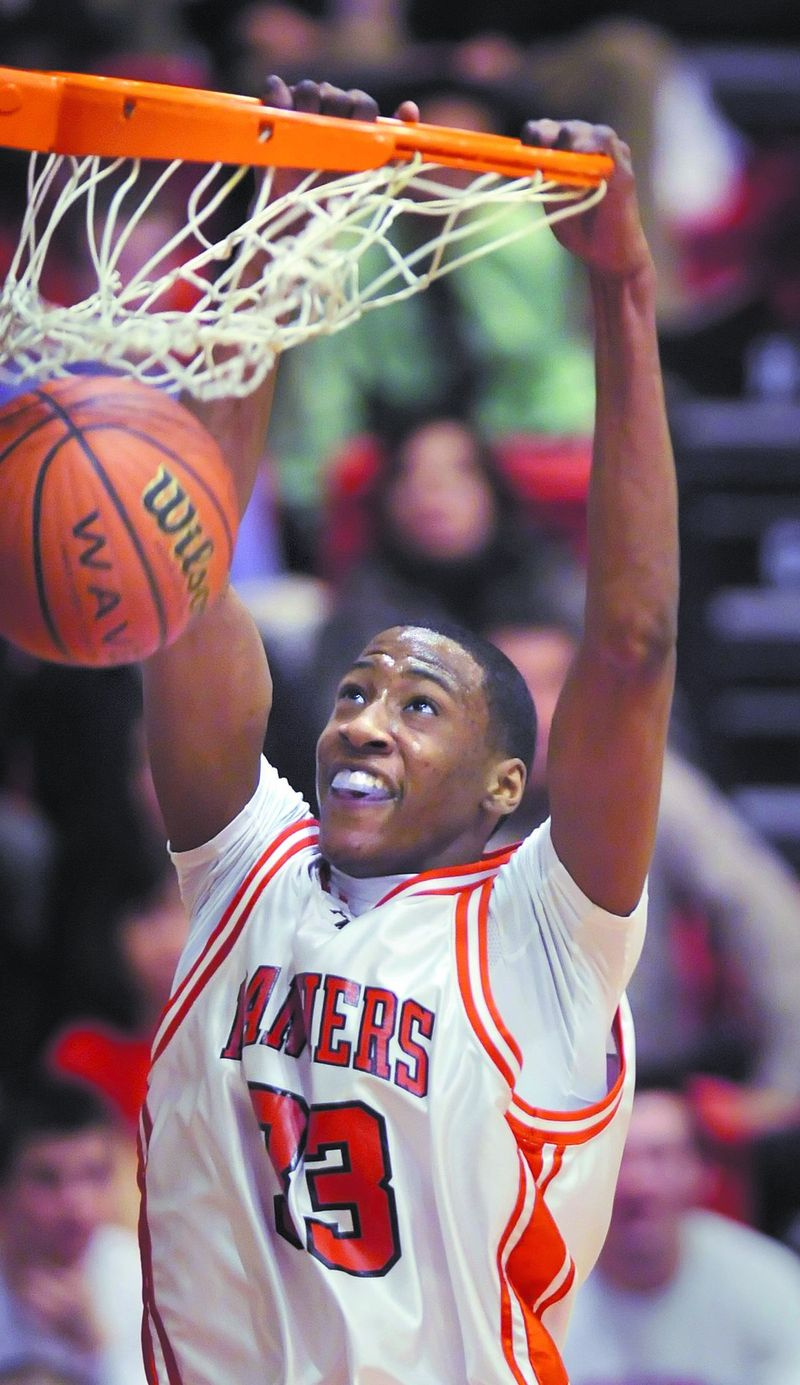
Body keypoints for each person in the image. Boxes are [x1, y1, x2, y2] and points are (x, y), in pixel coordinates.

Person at [138, 76, 679, 1384]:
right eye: (357, 693)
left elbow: (630, 646)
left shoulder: (544, 930)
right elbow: (188, 575)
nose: (366, 723)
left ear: (509, 779)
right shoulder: (244, 866)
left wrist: (620, 294)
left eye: (418, 704)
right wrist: (278, 235)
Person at [562, 1074, 800, 1385]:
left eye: (660, 1157)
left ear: (704, 1175)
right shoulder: (542, 1292)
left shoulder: (769, 1282)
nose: (638, 1184)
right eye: (619, 1158)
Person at [0, 1074, 146, 1385]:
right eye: (47, 1178)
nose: (76, 1205)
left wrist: (92, 1349)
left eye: (94, 1175)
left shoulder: (143, 1279)